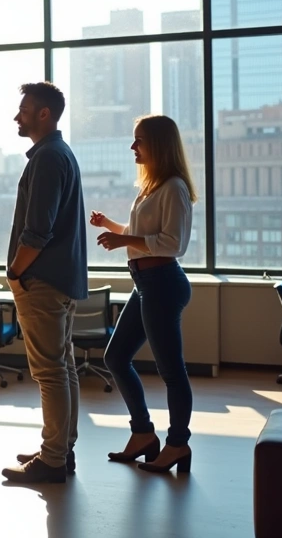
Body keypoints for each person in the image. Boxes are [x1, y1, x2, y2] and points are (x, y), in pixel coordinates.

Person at [95, 115, 196, 474]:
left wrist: (124, 239)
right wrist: (111, 226)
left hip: (163, 283)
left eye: (139, 140)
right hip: (146, 283)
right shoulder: (151, 187)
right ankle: (142, 434)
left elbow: (173, 243)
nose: (132, 147)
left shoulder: (174, 187)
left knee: (171, 370)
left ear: (158, 144)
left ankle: (178, 444)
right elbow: (138, 232)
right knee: (115, 357)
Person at [2, 82, 88, 484]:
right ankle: (60, 449)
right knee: (63, 367)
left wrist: (15, 272)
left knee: (50, 372)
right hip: (61, 279)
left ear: (44, 114)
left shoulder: (48, 157)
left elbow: (37, 230)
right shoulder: (59, 153)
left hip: (42, 281)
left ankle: (53, 459)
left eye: (23, 110)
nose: (16, 116)